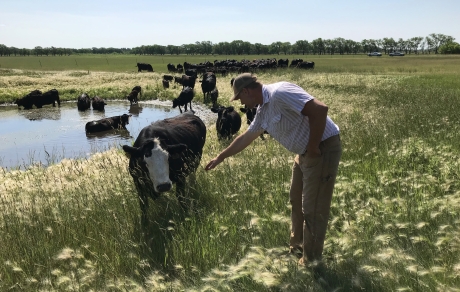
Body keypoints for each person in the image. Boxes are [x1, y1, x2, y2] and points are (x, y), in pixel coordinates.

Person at [205, 73, 342, 266]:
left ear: (247, 91)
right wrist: (221, 157)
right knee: (296, 200)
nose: (241, 103)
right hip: (304, 154)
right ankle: (297, 249)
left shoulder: (280, 92)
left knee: (313, 208)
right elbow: (246, 137)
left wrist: (312, 148)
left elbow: (319, 110)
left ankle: (311, 262)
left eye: (240, 98)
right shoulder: (262, 111)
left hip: (321, 150)